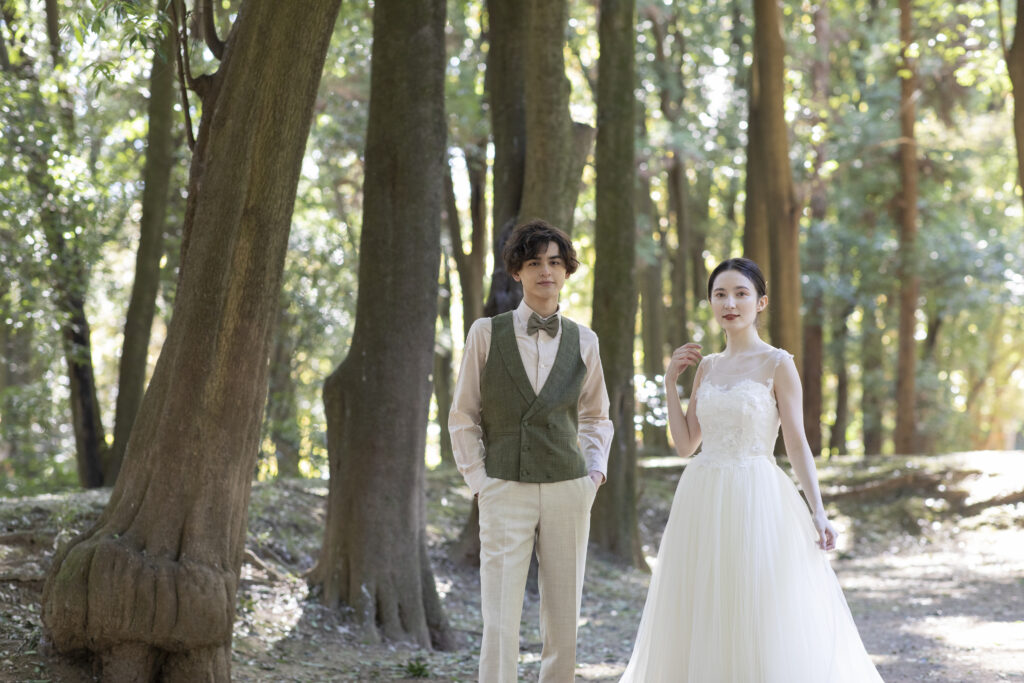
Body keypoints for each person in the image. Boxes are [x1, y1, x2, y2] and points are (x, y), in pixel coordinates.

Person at [620, 257, 884, 682]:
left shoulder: (778, 363)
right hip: (703, 495)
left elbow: (796, 442)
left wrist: (817, 510)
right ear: (711, 303)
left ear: (760, 302)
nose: (730, 303)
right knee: (705, 601)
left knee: (757, 601)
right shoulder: (707, 367)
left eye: (741, 294)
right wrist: (670, 382)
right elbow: (686, 445)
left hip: (757, 494)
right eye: (720, 294)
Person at [449, 219, 613, 683]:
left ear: (567, 271)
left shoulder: (585, 340)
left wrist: (594, 474)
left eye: (555, 262)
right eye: (535, 262)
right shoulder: (486, 333)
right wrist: (480, 481)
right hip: (504, 487)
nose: (546, 271)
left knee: (563, 619)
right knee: (499, 618)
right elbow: (463, 414)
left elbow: (597, 416)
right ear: (517, 271)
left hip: (569, 487)